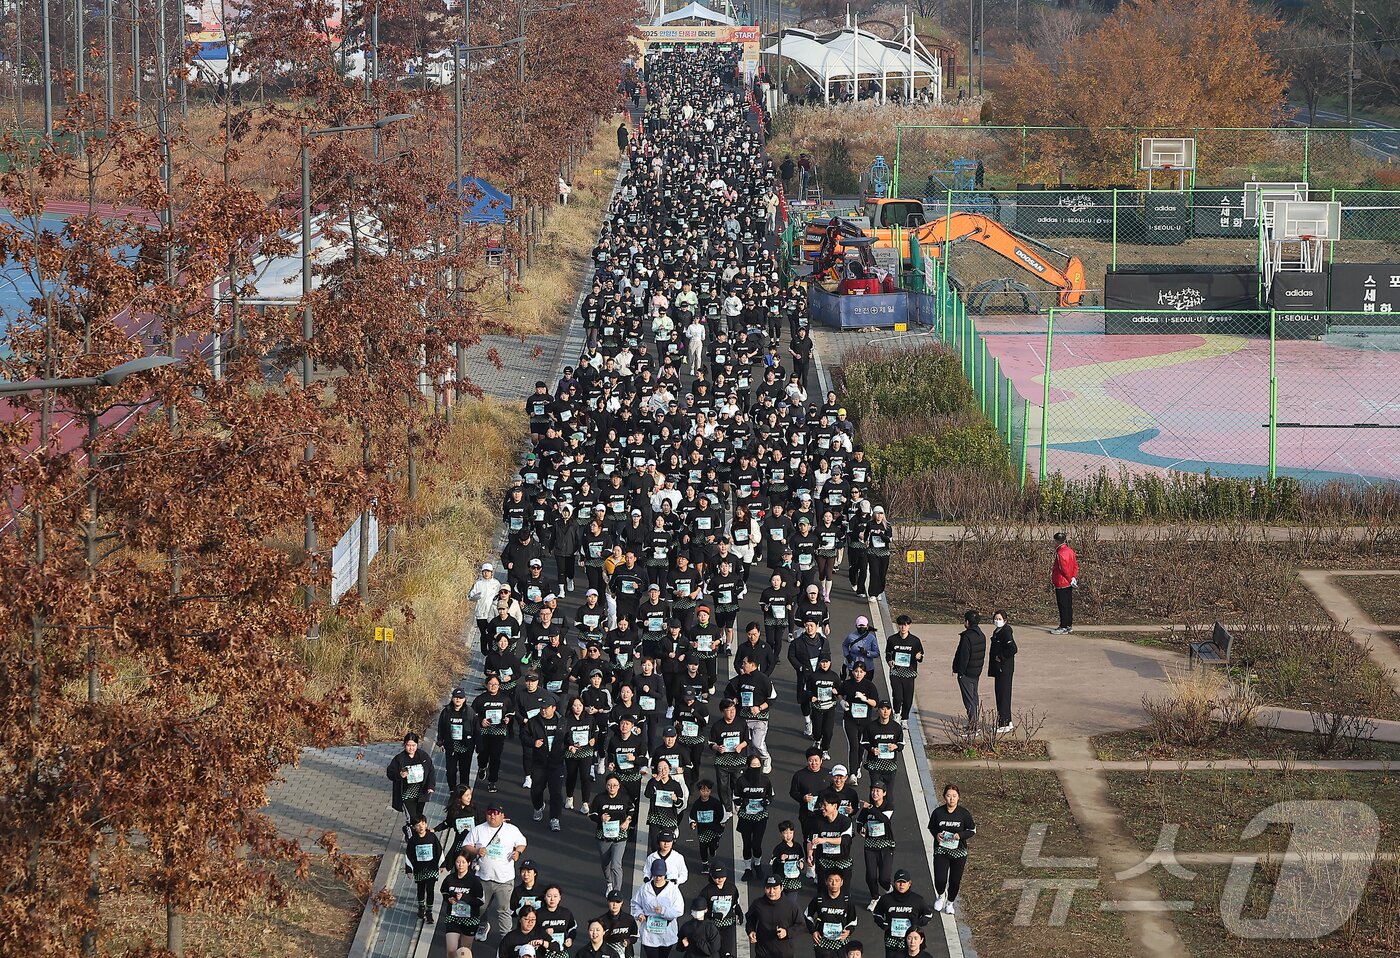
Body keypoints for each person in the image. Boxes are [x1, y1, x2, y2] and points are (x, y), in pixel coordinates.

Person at [463, 804, 529, 940]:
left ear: (502, 815)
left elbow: (522, 842)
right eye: (490, 813)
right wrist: (476, 851)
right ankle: (483, 924)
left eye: (496, 813)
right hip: (483, 878)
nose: (492, 815)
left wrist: (518, 852)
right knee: (480, 907)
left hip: (504, 880)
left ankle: (507, 940)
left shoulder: (512, 830)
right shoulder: (479, 829)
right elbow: (466, 844)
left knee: (504, 910)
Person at [927, 784, 975, 915]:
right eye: (948, 796)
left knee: (955, 880)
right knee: (940, 878)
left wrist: (960, 835)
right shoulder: (938, 812)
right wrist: (936, 835)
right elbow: (932, 827)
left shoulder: (964, 814)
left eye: (954, 796)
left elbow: (972, 830)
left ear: (958, 797)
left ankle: (950, 902)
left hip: (959, 852)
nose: (951, 799)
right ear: (944, 797)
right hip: (941, 850)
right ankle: (941, 895)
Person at [591, 774, 636, 894]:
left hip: (620, 835)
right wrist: (601, 818)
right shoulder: (599, 799)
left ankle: (616, 892)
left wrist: (627, 821)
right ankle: (609, 883)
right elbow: (591, 814)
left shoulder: (624, 798)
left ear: (619, 786)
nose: (612, 788)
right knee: (606, 864)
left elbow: (631, 810)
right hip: (604, 836)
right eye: (609, 785)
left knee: (616, 865)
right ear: (606, 786)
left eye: (615, 785)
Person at [631, 859, 686, 958]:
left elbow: (679, 910)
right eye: (655, 875)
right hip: (649, 932)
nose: (658, 878)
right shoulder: (644, 888)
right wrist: (639, 914)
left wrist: (663, 911)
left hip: (667, 931)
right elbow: (635, 903)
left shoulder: (673, 890)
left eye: (660, 875)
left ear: (665, 874)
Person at [872, 870, 933, 958]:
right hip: (891, 939)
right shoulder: (885, 899)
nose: (901, 885)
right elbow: (877, 914)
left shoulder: (917, 899)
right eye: (899, 882)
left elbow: (928, 915)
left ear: (910, 883)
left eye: (904, 882)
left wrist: (917, 923)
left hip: (911, 940)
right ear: (894, 883)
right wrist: (882, 923)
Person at [386, 732, 436, 839]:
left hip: (420, 793)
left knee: (418, 817)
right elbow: (390, 772)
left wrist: (430, 786)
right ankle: (411, 838)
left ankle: (415, 834)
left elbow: (431, 771)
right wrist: (399, 775)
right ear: (404, 745)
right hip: (406, 794)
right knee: (411, 818)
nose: (411, 748)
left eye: (413, 745)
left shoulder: (423, 756)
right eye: (409, 745)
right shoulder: (399, 759)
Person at [855, 781, 895, 905]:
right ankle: (875, 897)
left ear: (884, 793)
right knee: (871, 876)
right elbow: (859, 821)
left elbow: (884, 820)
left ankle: (890, 891)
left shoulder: (888, 806)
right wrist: (860, 829)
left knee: (884, 878)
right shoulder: (867, 808)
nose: (874, 793)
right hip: (870, 847)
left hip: (886, 846)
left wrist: (871, 808)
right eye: (873, 790)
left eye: (878, 791)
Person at [746, 876, 804, 958]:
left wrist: (787, 932)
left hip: (783, 952)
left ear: (781, 888)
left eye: (775, 888)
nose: (771, 891)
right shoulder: (758, 904)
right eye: (768, 888)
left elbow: (801, 925)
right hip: (763, 951)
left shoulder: (791, 905)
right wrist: (751, 931)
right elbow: (750, 918)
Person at [442, 851, 487, 952]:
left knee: (464, 951)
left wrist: (465, 898)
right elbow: (444, 892)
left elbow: (480, 901)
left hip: (470, 919)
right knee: (451, 950)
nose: (460, 865)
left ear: (469, 863)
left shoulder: (474, 881)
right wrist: (449, 899)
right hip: (453, 917)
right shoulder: (449, 879)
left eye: (463, 862)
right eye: (458, 862)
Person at [804, 871, 857, 952]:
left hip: (841, 942)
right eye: (831, 880)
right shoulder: (819, 899)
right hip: (822, 941)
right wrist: (813, 931)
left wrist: (849, 931)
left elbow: (853, 920)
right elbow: (807, 915)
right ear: (826, 882)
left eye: (837, 880)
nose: (834, 883)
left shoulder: (847, 900)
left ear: (841, 882)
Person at [884, 617, 922, 725]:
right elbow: (888, 653)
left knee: (907, 698)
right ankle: (896, 714)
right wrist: (889, 661)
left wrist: (919, 657)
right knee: (898, 696)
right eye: (901, 625)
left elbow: (920, 656)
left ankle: (904, 718)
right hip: (896, 672)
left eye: (905, 625)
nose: (903, 627)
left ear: (909, 625)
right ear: (897, 625)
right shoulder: (892, 639)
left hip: (909, 673)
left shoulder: (915, 641)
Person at [697, 865, 742, 957]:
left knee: (727, 953)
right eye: (716, 877)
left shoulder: (732, 888)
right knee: (713, 953)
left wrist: (739, 913)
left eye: (722, 876)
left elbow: (735, 903)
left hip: (728, 925)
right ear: (711, 876)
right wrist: (712, 915)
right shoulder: (706, 891)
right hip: (712, 926)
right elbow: (700, 910)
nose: (720, 879)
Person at [439, 687, 477, 791]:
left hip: (465, 747)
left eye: (460, 698)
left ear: (464, 699)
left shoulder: (470, 712)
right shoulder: (446, 712)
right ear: (452, 698)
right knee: (451, 771)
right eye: (456, 697)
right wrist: (440, 742)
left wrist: (478, 745)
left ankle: (464, 793)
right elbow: (441, 727)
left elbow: (476, 729)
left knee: (464, 771)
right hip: (451, 746)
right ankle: (453, 791)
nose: (458, 700)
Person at [952, 611, 986, 728]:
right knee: (974, 697)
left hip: (966, 673)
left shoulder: (967, 636)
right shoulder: (981, 635)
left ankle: (973, 726)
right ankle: (975, 723)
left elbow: (963, 656)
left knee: (968, 700)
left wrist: (959, 671)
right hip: (976, 672)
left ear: (967, 622)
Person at [406, 815, 443, 922]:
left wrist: (442, 864)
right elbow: (409, 854)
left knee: (430, 889)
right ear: (414, 828)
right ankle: (421, 907)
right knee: (421, 889)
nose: (421, 826)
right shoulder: (413, 840)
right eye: (418, 825)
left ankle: (429, 911)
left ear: (426, 824)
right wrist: (409, 869)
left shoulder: (431, 837)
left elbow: (438, 850)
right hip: (419, 869)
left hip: (431, 868)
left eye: (422, 823)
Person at [988, 610, 1018, 733]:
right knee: (1001, 694)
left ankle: (1004, 723)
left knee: (1003, 695)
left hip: (1004, 669)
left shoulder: (1006, 632)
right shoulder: (997, 631)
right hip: (999, 669)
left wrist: (1001, 657)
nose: (997, 621)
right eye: (996, 618)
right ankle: (1007, 721)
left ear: (1005, 620)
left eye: (1000, 619)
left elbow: (1013, 648)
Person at [1050, 531, 1078, 634]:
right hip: (1069, 582)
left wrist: (1069, 578)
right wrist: (1073, 577)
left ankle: (1063, 626)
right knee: (1068, 604)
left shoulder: (1060, 553)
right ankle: (1069, 625)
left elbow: (1063, 568)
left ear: (1057, 541)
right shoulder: (1070, 551)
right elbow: (1075, 565)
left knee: (1062, 605)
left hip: (1061, 581)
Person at [471, 563, 505, 642]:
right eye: (484, 571)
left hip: (492, 613)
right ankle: (484, 651)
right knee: (483, 633)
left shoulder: (496, 584)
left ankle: (491, 651)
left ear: (491, 572)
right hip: (481, 613)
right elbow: (471, 596)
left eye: (488, 571)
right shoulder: (478, 583)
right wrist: (476, 596)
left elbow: (500, 595)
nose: (486, 574)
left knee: (492, 633)